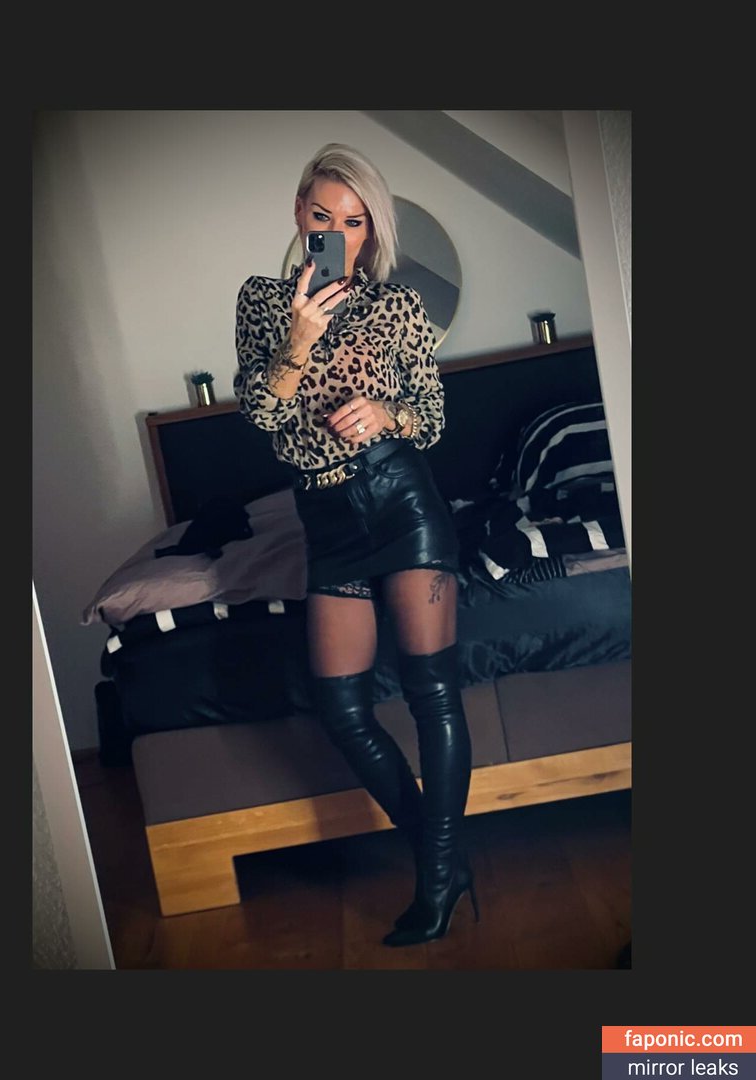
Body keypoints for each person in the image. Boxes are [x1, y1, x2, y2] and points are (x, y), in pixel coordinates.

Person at [233, 142, 477, 947]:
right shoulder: (262, 302)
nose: (337, 232)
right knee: (340, 708)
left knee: (431, 693)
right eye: (322, 215)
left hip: (401, 499)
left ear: (371, 232)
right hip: (326, 518)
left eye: (354, 221)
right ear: (298, 214)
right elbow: (262, 419)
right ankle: (446, 856)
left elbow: (431, 419)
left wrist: (387, 413)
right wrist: (299, 339)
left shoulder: (398, 306)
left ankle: (435, 882)